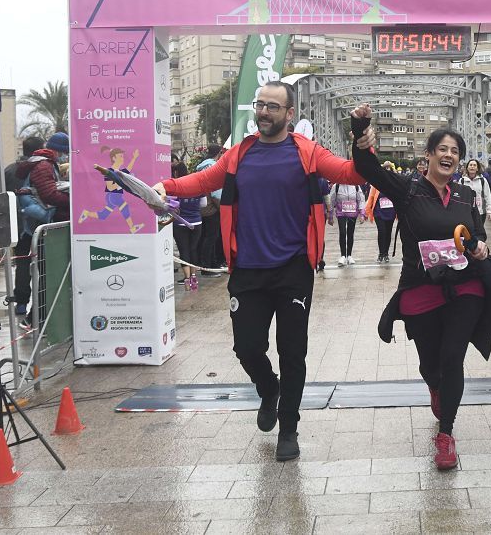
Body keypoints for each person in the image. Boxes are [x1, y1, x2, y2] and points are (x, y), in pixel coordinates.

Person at [153, 81, 366, 462]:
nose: (264, 112)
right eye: (260, 105)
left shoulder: (308, 153)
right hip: (248, 269)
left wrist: (362, 140)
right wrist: (164, 186)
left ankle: (289, 428)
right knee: (246, 347)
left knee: (292, 352)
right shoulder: (239, 155)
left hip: (293, 270)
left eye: (272, 106)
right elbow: (203, 181)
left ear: (289, 115)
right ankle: (269, 389)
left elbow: (351, 174)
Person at [349, 105, 491, 471]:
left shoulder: (466, 195)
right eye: (443, 149)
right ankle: (435, 385)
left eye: (456, 151)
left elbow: (477, 232)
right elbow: (367, 168)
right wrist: (360, 130)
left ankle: (446, 435)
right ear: (429, 155)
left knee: (453, 357)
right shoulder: (408, 189)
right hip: (422, 288)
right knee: (430, 364)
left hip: (465, 286)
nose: (450, 155)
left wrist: (480, 245)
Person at [14, 133, 70, 322]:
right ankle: (37, 318)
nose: (66, 156)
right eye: (64, 152)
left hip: (34, 224)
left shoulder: (40, 163)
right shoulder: (44, 165)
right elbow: (49, 195)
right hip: (40, 224)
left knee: (42, 271)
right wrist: (74, 200)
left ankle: (38, 316)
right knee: (47, 273)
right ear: (58, 150)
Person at [5, 136, 45, 315]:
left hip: (18, 226)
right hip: (42, 224)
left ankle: (21, 302)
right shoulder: (44, 169)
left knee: (22, 264)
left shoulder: (10, 170)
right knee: (44, 266)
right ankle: (42, 305)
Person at [78, 145, 145, 234]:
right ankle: (132, 228)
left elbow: (128, 170)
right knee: (125, 207)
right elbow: (110, 187)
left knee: (103, 215)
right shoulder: (108, 171)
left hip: (115, 196)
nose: (122, 158)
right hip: (113, 196)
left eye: (122, 156)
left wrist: (134, 158)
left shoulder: (119, 171)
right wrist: (121, 184)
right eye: (120, 156)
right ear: (114, 158)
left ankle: (86, 213)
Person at [170, 162, 202, 292]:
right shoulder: (196, 184)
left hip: (180, 223)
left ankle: (187, 279)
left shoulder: (174, 186)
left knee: (184, 251)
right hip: (196, 222)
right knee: (194, 249)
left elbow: (172, 206)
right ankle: (194, 277)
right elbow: (204, 204)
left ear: (176, 172)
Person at [195, 144, 224, 276]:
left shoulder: (200, 167)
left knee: (205, 237)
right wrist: (221, 208)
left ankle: (205, 264)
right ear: (218, 153)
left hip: (201, 208)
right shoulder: (213, 166)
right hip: (212, 208)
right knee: (212, 237)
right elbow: (216, 192)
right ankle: (208, 266)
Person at [365, 161, 397, 263]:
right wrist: (367, 210)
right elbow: (371, 197)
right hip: (379, 212)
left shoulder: (394, 183)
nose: (387, 170)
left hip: (390, 212)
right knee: (382, 231)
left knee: (388, 233)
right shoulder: (376, 183)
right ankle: (381, 253)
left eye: (389, 168)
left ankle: (386, 253)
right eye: (385, 168)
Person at [331, 181, 366, 266]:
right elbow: (332, 200)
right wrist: (330, 216)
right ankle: (343, 255)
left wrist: (362, 214)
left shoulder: (356, 186)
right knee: (342, 233)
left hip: (352, 213)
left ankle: (349, 255)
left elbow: (361, 199)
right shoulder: (337, 186)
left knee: (350, 233)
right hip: (341, 213)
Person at [459, 159, 491, 225]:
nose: (472, 167)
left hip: (480, 213)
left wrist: (489, 210)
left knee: (479, 232)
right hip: (466, 212)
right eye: (470, 165)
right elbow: (459, 197)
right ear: (467, 168)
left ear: (477, 168)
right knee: (468, 232)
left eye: (474, 165)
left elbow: (488, 196)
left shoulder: (483, 181)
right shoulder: (462, 181)